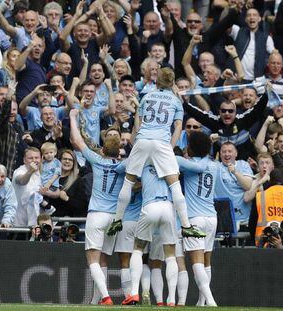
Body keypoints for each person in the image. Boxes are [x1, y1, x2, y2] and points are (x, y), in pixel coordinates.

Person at [108, 67, 205, 239]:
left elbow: (138, 120)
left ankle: (117, 220)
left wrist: (136, 140)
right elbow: (177, 127)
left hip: (143, 139)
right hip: (161, 142)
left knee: (128, 182)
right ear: (173, 82)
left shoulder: (146, 97)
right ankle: (186, 225)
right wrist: (170, 147)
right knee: (175, 185)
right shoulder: (176, 102)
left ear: (157, 81)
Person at [70, 108, 126, 305]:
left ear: (103, 149)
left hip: (96, 215)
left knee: (92, 259)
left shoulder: (97, 160)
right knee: (103, 260)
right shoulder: (123, 166)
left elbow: (77, 141)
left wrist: (72, 117)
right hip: (114, 218)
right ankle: (96, 300)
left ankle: (106, 296)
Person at [121, 164, 178, 306]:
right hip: (168, 208)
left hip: (150, 206)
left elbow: (125, 175)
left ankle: (134, 293)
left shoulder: (142, 165)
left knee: (138, 250)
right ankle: (171, 299)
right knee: (170, 255)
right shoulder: (171, 163)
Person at [177, 131, 218, 307]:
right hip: (211, 217)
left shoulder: (186, 164)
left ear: (191, 148)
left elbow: (176, 161)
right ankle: (202, 302)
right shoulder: (214, 165)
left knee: (197, 262)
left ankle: (210, 300)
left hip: (195, 218)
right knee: (207, 260)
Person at [48, 149, 91, 218]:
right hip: (49, 219)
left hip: (68, 221)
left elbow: (82, 206)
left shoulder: (78, 181)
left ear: (74, 163)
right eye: (64, 159)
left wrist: (67, 198)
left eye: (70, 160)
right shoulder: (49, 178)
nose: (67, 161)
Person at [12, 147, 44, 228]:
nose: (34, 160)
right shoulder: (19, 171)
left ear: (40, 159)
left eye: (36, 158)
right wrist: (30, 171)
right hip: (19, 222)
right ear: (24, 160)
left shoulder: (39, 173)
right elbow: (22, 181)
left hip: (34, 221)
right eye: (30, 158)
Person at [39, 142, 61, 211]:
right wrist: (41, 162)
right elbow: (40, 172)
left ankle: (49, 209)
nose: (49, 155)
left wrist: (49, 183)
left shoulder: (56, 162)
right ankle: (47, 208)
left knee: (38, 194)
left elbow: (57, 174)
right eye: (46, 153)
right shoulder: (44, 163)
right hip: (44, 184)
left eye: (51, 152)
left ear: (55, 153)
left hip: (51, 185)